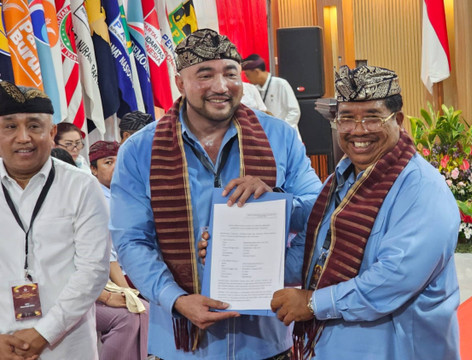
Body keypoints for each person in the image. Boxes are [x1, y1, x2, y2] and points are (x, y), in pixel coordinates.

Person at [109, 29, 322, 360]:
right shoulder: (140, 149)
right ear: (180, 83)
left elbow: (318, 215)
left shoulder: (280, 137)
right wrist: (176, 299)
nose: (221, 87)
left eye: (230, 74)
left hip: (265, 338)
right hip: (181, 343)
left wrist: (276, 202)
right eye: (205, 75)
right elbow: (131, 241)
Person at [270, 65, 461, 359]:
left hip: (396, 350)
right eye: (346, 118)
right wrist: (240, 256)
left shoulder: (422, 189)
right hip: (330, 346)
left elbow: (393, 280)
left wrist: (311, 304)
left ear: (397, 120)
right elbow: (316, 249)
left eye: (372, 118)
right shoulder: (341, 179)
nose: (358, 131)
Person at [0, 81, 110, 359]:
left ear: (51, 133)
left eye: (34, 126)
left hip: (66, 345)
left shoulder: (82, 187)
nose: (24, 137)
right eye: (10, 126)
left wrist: (43, 333)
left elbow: (93, 270)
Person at [89, 141, 149, 360]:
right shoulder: (95, 198)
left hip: (133, 267)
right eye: (108, 162)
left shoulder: (128, 192)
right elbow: (108, 255)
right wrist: (122, 291)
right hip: (110, 277)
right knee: (137, 310)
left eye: (118, 161)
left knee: (143, 309)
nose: (116, 167)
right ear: (93, 169)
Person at [242, 54, 301, 137]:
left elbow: (294, 111)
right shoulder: (254, 89)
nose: (247, 79)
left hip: (286, 134)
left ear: (256, 72)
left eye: (248, 75)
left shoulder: (280, 84)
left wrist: (281, 129)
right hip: (270, 135)